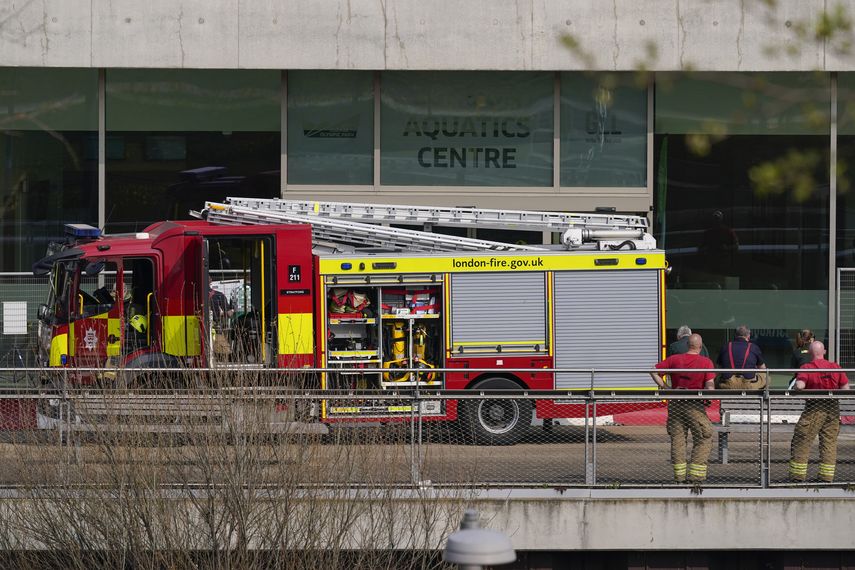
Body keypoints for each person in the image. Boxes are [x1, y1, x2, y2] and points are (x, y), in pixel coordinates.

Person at [651, 334, 716, 483]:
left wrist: (666, 388)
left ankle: (679, 479)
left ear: (688, 345)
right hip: (695, 405)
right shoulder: (706, 362)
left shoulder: (675, 359)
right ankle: (696, 478)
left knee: (678, 441)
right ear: (700, 347)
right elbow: (710, 386)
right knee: (704, 437)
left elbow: (653, 371)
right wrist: (707, 397)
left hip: (675, 404)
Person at [789, 341, 850, 482]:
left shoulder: (807, 367)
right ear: (824, 351)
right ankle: (826, 477)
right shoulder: (835, 367)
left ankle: (797, 477)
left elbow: (800, 385)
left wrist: (795, 389)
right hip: (833, 408)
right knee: (829, 442)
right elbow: (846, 389)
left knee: (802, 439)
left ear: (810, 353)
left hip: (814, 408)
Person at [717, 325, 766, 389]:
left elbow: (718, 367)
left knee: (717, 377)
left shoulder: (725, 347)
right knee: (766, 376)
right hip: (748, 385)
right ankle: (763, 397)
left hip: (728, 385)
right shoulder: (754, 347)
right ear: (748, 336)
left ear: (735, 335)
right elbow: (762, 368)